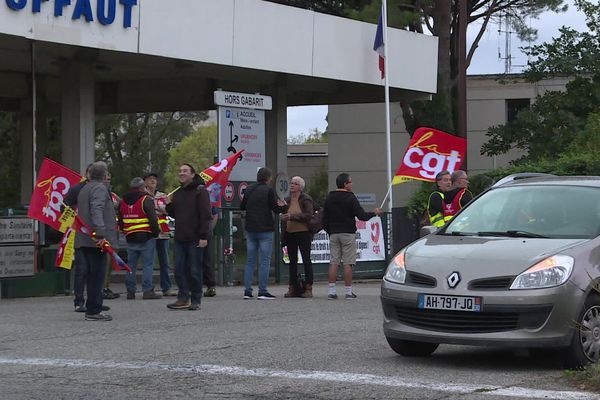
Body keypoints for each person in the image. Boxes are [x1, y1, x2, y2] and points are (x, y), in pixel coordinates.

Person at [322, 173, 382, 300]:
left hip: (334, 233)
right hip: (348, 233)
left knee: (334, 262)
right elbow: (361, 216)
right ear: (345, 184)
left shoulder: (330, 197)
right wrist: (374, 213)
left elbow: (324, 218)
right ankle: (348, 292)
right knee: (348, 263)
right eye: (350, 182)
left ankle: (332, 291)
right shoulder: (350, 197)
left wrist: (330, 230)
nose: (352, 184)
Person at [165, 164, 212, 310]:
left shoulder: (200, 191)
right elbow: (175, 213)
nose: (181, 173)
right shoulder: (178, 193)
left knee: (194, 270)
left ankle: (196, 299)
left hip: (195, 237)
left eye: (185, 171)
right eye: (180, 171)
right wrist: (168, 206)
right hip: (180, 237)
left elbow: (205, 215)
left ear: (192, 174)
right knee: (179, 269)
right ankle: (183, 297)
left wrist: (203, 236)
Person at [74, 161, 116, 321]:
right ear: (105, 175)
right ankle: (94, 310)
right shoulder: (99, 188)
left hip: (84, 238)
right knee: (97, 275)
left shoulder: (85, 188)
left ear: (90, 175)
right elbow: (97, 209)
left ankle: (92, 307)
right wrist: (100, 234)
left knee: (91, 274)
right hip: (95, 239)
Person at [240, 167, 287, 300]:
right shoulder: (268, 190)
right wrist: (284, 206)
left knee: (250, 261)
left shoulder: (249, 189)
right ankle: (262, 291)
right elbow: (275, 209)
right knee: (264, 261)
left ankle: (247, 291)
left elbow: (242, 206)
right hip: (265, 229)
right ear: (268, 178)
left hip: (250, 229)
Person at [119, 177, 162, 300]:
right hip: (146, 236)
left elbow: (121, 220)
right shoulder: (145, 199)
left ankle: (130, 292)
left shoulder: (123, 201)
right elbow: (153, 219)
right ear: (142, 187)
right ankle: (147, 291)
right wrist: (155, 233)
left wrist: (125, 231)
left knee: (130, 266)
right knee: (147, 265)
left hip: (130, 236)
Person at [144, 172, 177, 296]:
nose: (153, 181)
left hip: (163, 232)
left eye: (154, 179)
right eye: (150, 179)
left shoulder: (162, 195)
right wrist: (158, 209)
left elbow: (168, 210)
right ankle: (148, 288)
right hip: (150, 231)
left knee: (165, 261)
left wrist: (156, 209)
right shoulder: (142, 195)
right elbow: (145, 211)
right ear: (145, 182)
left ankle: (166, 288)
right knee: (149, 261)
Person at [281, 176, 314, 298]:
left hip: (303, 232)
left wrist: (292, 217)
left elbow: (308, 215)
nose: (292, 186)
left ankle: (308, 287)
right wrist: (282, 212)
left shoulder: (306, 199)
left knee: (306, 260)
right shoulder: (288, 200)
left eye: (295, 184)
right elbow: (284, 212)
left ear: (300, 187)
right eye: (291, 183)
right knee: (292, 261)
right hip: (290, 233)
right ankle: (292, 286)